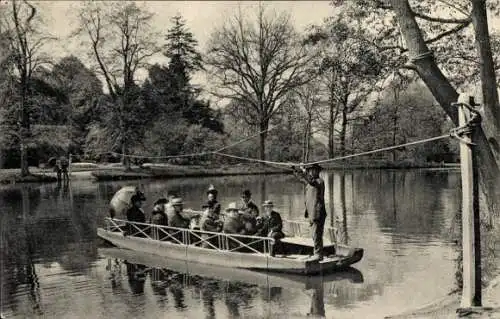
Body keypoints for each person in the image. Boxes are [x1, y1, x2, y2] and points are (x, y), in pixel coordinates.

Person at [292, 163, 327, 261]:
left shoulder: (320, 182)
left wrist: (304, 170)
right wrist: (294, 168)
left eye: (312, 170)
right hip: (312, 213)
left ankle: (318, 254)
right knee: (314, 234)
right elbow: (301, 178)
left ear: (317, 171)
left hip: (318, 213)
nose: (311, 172)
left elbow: (311, 181)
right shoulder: (309, 182)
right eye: (310, 170)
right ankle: (317, 253)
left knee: (317, 234)